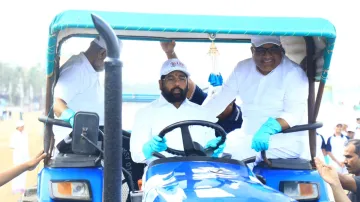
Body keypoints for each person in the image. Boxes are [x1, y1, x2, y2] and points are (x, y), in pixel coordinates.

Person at [186, 35, 309, 163]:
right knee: (214, 147)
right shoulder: (242, 69)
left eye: (273, 49)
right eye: (261, 50)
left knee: (232, 154)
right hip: (249, 135)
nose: (267, 55)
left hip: (286, 140)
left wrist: (269, 128)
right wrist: (196, 121)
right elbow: (219, 100)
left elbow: (294, 113)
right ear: (252, 51)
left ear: (281, 49)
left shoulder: (294, 73)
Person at [130, 59, 226, 181]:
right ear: (160, 83)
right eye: (171, 78)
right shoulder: (144, 113)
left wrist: (214, 150)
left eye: (182, 78)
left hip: (200, 175)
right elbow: (136, 156)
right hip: (160, 177)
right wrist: (149, 147)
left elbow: (210, 150)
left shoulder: (203, 113)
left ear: (187, 83)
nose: (177, 83)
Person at [52, 36, 122, 155]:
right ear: (102, 53)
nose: (106, 68)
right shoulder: (77, 69)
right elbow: (56, 104)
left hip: (89, 140)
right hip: (75, 143)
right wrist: (76, 120)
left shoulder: (88, 69)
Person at [160, 41, 243, 133]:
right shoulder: (207, 102)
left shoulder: (242, 118)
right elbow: (187, 85)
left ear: (232, 99)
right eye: (214, 97)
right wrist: (169, 52)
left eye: (222, 97)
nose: (217, 101)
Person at [9, 120, 30, 193]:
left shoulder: (25, 134)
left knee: (23, 172)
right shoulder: (14, 135)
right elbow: (12, 146)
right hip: (18, 156)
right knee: (16, 171)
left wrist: (27, 156)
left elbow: (26, 146)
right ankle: (15, 188)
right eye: (22, 126)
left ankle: (22, 187)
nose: (23, 127)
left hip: (25, 156)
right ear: (18, 127)